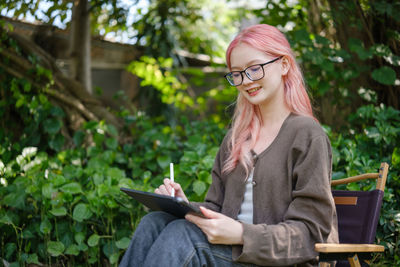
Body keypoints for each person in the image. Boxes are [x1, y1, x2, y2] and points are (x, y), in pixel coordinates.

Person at [119, 24, 338, 267]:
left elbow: (309, 235)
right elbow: (218, 208)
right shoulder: (237, 137)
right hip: (229, 255)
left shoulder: (307, 135)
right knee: (156, 221)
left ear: (284, 65)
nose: (245, 81)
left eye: (254, 69)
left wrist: (242, 234)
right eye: (237, 73)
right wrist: (184, 206)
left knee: (182, 236)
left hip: (276, 261)